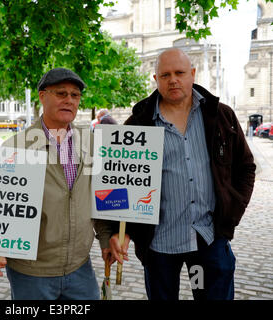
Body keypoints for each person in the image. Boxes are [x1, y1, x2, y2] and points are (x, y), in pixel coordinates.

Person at [95, 48, 256, 300]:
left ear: (192, 74)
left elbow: (246, 167)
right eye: (165, 74)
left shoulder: (221, 115)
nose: (173, 80)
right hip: (160, 245)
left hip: (208, 241)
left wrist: (232, 212)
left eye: (180, 73)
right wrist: (118, 230)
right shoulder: (138, 124)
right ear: (156, 79)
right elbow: (116, 183)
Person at [0, 68, 99, 300]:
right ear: (42, 96)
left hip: (80, 267)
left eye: (75, 95)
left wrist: (108, 239)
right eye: (61, 93)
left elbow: (102, 196)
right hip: (31, 272)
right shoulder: (14, 148)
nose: (69, 100)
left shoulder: (92, 143)